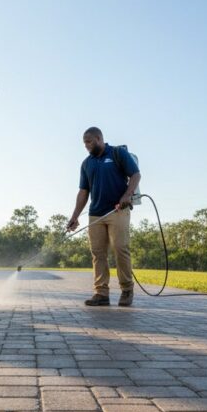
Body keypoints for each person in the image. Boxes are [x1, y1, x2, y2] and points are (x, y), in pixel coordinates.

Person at [66, 126, 141, 307]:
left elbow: (136, 174)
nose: (86, 146)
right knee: (97, 253)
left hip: (118, 210)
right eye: (84, 143)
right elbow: (83, 192)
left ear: (99, 139)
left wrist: (127, 195)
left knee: (120, 248)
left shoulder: (117, 154)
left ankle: (127, 289)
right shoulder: (86, 163)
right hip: (96, 213)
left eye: (89, 142)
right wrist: (74, 216)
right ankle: (101, 293)